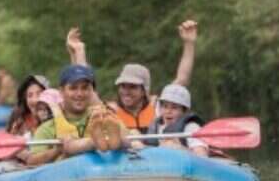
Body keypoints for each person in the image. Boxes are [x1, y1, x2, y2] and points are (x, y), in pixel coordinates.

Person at [66, 20, 198, 133]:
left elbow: (182, 80)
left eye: (132, 87)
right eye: (123, 86)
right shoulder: (111, 111)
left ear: (144, 90)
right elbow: (87, 88)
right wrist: (78, 52)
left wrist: (189, 43)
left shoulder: (158, 107)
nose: (126, 91)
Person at [17, 64, 124, 166]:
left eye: (84, 88)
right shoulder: (46, 128)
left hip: (104, 171)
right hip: (64, 173)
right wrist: (57, 150)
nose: (79, 94)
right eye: (73, 88)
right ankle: (94, 142)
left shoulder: (102, 117)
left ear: (91, 91)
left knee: (121, 133)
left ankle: (112, 141)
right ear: (61, 91)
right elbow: (33, 162)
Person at [146, 83, 208, 156]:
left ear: (184, 111)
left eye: (174, 107)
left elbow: (202, 155)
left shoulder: (191, 127)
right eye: (165, 106)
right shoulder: (156, 126)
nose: (168, 111)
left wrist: (179, 148)